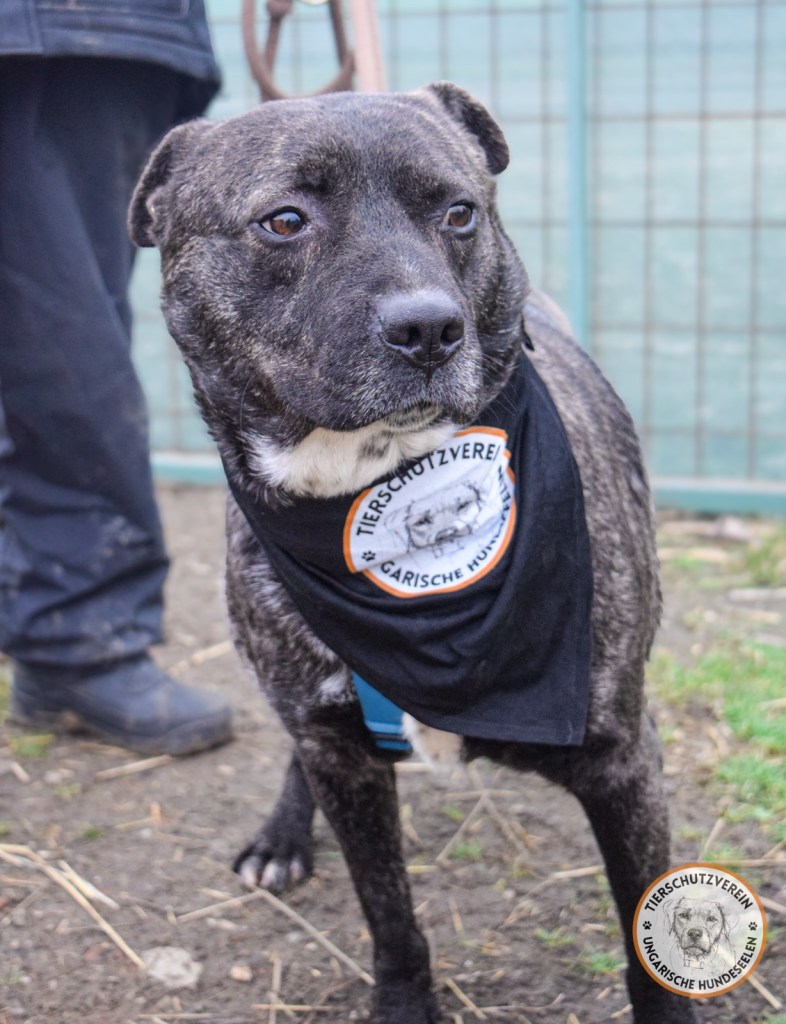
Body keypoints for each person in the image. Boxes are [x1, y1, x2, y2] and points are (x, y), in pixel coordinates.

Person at [0, 1, 233, 755]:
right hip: (65, 34)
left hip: (67, 35)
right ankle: (74, 631)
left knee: (58, 337)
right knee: (57, 334)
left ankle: (76, 635)